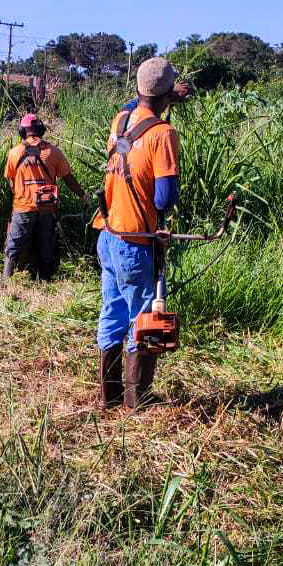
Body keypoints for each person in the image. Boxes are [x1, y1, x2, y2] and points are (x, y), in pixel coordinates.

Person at [93, 57, 193, 409]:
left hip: (108, 233)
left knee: (112, 313)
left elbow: (135, 104)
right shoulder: (163, 134)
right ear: (167, 93)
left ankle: (108, 397)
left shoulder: (121, 120)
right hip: (137, 242)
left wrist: (164, 99)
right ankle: (137, 401)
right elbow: (164, 198)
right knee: (142, 319)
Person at [2, 113, 88, 281]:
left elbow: (11, 182)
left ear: (22, 131)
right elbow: (68, 178)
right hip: (47, 208)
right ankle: (46, 280)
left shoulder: (14, 153)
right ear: (41, 130)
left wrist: (21, 196)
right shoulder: (53, 152)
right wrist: (82, 194)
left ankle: (5, 281)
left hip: (23, 207)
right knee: (46, 245)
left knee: (13, 245)